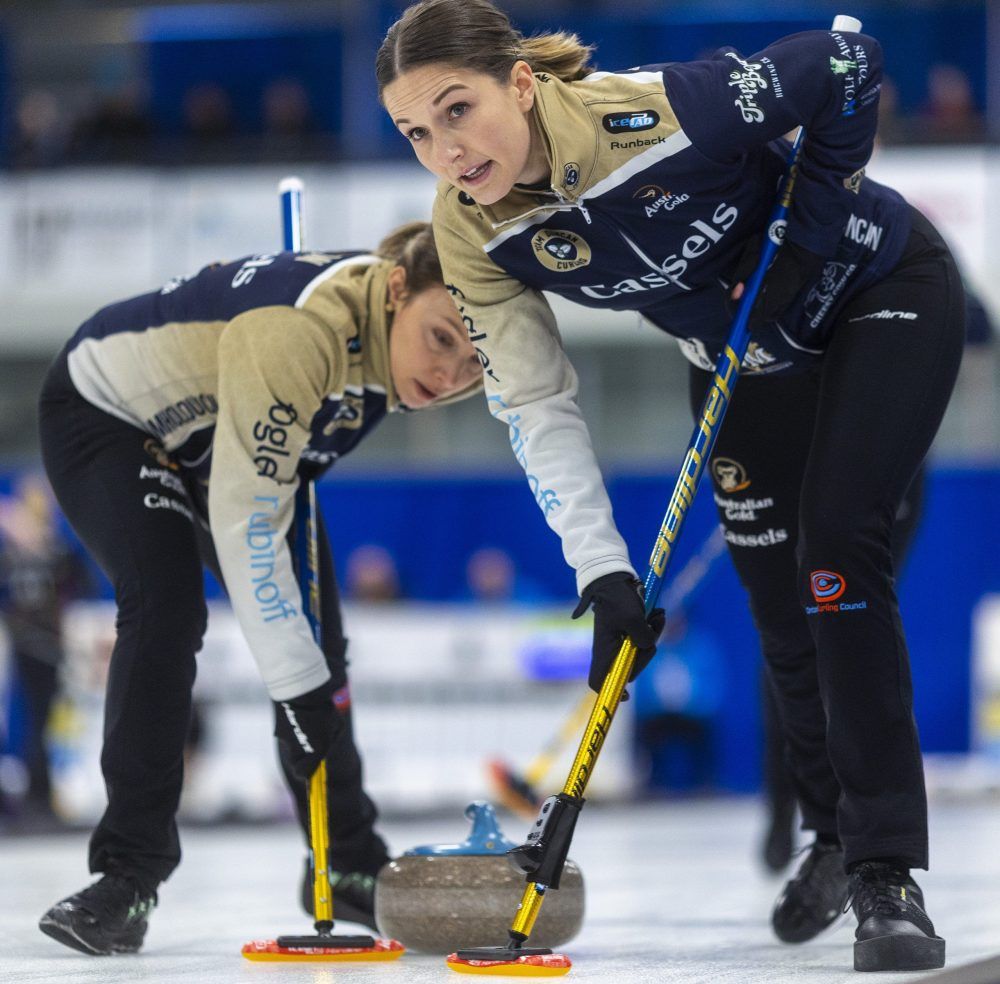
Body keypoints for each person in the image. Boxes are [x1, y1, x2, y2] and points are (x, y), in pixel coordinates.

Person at [378, 1, 964, 972]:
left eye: (456, 110)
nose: (444, 149)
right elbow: (533, 405)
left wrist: (811, 230)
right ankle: (828, 831)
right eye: (414, 133)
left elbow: (846, 61)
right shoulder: (472, 233)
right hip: (740, 362)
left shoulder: (655, 111)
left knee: (834, 550)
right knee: (778, 607)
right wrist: (603, 572)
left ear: (519, 84)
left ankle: (886, 872)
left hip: (877, 289)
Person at [35, 221, 482, 955]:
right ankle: (127, 876)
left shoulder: (395, 347)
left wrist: (307, 675)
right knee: (167, 609)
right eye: (441, 340)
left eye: (474, 365)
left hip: (233, 434)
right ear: (397, 288)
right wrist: (293, 684)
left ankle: (346, 861)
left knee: (319, 649)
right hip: (113, 414)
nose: (449, 376)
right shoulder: (301, 330)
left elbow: (262, 486)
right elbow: (246, 523)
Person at [0, 474, 90, 823]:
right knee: (31, 721)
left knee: (50, 722)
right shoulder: (20, 552)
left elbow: (77, 584)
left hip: (48, 644)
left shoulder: (55, 550)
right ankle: (35, 793)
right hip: (27, 645)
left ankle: (43, 792)